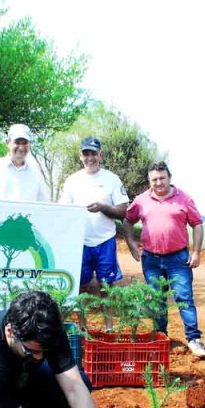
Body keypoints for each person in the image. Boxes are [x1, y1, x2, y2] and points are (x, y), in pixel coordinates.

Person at [123, 162, 205, 358]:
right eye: (154, 179)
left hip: (178, 259)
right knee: (157, 300)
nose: (158, 183)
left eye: (162, 178)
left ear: (169, 178)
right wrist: (131, 242)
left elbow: (197, 224)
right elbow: (127, 220)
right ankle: (161, 337)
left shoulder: (184, 198)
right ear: (149, 181)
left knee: (184, 298)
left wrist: (196, 252)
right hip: (151, 260)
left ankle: (194, 339)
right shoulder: (141, 200)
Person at [59, 137, 129, 327]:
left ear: (101, 155)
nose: (90, 157)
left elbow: (123, 210)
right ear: (80, 156)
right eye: (86, 153)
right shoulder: (72, 180)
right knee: (81, 286)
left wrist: (103, 207)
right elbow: (63, 211)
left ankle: (108, 327)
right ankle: (82, 327)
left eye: (93, 153)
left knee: (107, 286)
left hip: (105, 240)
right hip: (80, 241)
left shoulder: (112, 179)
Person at [0, 123, 49, 202]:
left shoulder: (36, 173)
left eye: (25, 143)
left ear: (30, 144)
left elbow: (44, 204)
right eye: (17, 142)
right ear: (8, 143)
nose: (21, 148)